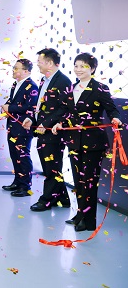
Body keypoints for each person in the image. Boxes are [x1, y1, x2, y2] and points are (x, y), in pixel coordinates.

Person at [52, 52, 122, 231]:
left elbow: (111, 109)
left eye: (83, 66)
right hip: (74, 141)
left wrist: (115, 118)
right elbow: (66, 111)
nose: (78, 69)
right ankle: (80, 214)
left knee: (89, 181)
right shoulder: (72, 88)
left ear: (92, 68)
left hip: (94, 143)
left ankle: (88, 221)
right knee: (78, 181)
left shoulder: (100, 88)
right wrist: (59, 123)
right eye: (76, 66)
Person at [23, 48, 78, 212]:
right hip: (42, 129)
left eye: (40, 62)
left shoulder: (63, 81)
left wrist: (46, 123)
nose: (38, 65)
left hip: (54, 131)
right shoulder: (44, 80)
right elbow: (40, 105)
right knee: (51, 166)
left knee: (51, 167)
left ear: (50, 63)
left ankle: (46, 200)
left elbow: (64, 108)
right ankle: (63, 198)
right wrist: (32, 119)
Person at [0, 59, 39, 197]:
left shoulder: (32, 86)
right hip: (12, 125)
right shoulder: (15, 84)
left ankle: (25, 186)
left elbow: (30, 107)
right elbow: (12, 101)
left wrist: (9, 108)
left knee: (23, 156)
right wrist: (5, 109)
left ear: (26, 71)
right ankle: (17, 181)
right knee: (14, 155)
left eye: (16, 68)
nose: (13, 70)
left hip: (23, 127)